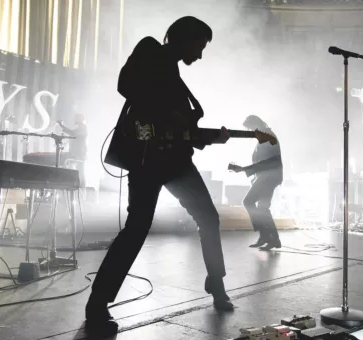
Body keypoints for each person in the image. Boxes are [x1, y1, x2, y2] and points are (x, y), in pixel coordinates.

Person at [86, 17, 233, 336]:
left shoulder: (177, 77)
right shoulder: (151, 49)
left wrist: (208, 137)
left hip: (176, 160)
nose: (201, 53)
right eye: (200, 44)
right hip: (148, 159)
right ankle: (97, 302)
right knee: (137, 227)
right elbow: (126, 85)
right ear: (184, 37)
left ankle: (216, 284)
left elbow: (181, 132)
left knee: (208, 217)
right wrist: (170, 114)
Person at [229, 115, 283, 250]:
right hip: (267, 177)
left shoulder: (267, 136)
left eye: (250, 128)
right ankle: (272, 239)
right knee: (262, 208)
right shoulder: (265, 136)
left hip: (269, 177)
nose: (250, 131)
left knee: (248, 202)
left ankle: (266, 236)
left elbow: (273, 161)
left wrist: (245, 169)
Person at [57, 113, 88, 186]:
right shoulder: (80, 128)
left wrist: (61, 125)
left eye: (77, 118)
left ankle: (81, 187)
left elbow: (73, 133)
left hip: (80, 153)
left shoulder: (83, 127)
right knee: (76, 169)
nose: (75, 119)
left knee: (80, 171)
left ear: (81, 119)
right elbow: (73, 137)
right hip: (75, 153)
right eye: (75, 117)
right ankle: (74, 184)